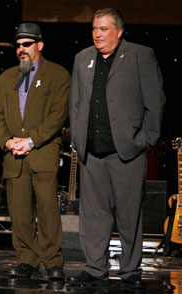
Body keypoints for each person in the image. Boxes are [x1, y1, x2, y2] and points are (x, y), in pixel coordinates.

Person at [69, 8, 166, 289]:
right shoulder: (82, 58)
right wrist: (77, 138)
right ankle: (95, 268)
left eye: (103, 29)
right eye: (94, 29)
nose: (97, 34)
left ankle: (130, 269)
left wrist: (145, 139)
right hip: (92, 153)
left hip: (127, 151)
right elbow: (75, 103)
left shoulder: (139, 55)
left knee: (128, 214)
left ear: (119, 31)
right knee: (94, 215)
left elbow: (155, 101)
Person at [0, 23, 70, 281]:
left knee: (48, 211)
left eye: (27, 44)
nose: (21, 49)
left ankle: (53, 262)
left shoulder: (58, 75)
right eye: (18, 45)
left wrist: (31, 140)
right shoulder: (6, 78)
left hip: (42, 154)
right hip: (14, 157)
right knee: (21, 213)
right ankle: (27, 261)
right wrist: (7, 142)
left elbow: (58, 115)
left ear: (40, 45)